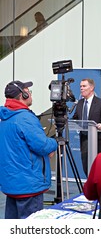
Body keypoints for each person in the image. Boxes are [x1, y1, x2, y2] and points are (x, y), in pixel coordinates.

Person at [0, 80, 58, 219]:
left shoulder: (6, 116)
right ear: (23, 95)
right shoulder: (25, 118)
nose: (30, 94)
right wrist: (54, 142)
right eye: (28, 91)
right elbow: (42, 145)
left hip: (12, 183)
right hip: (28, 184)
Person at [72, 78, 101, 177]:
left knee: (100, 170)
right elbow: (75, 119)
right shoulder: (80, 103)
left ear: (91, 88)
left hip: (100, 143)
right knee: (87, 168)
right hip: (85, 142)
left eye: (84, 86)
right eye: (80, 86)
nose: (81, 88)